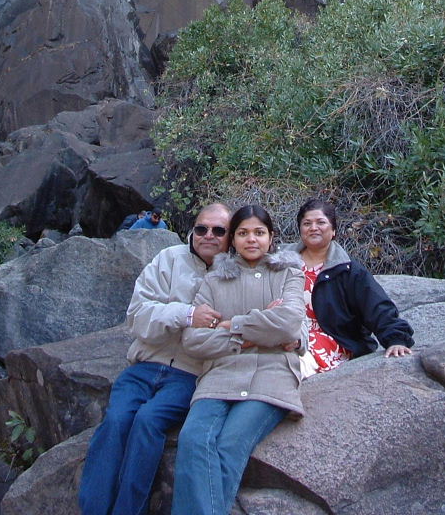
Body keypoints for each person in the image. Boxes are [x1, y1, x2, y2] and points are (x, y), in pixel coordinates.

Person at [78, 203, 232, 515]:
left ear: (230, 237)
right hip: (145, 364)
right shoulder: (169, 259)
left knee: (148, 421)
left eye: (219, 230)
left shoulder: (235, 275)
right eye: (202, 228)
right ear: (192, 230)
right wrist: (187, 315)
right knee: (116, 420)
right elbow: (137, 316)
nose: (209, 235)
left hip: (190, 374)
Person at [170, 204, 305, 515]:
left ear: (271, 237)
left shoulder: (288, 273)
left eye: (259, 232)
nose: (251, 239)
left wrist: (232, 324)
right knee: (193, 439)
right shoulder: (214, 280)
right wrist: (253, 333)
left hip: (272, 376)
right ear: (232, 240)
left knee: (230, 444)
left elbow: (289, 324)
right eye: (243, 233)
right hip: (220, 375)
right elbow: (193, 340)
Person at [294, 197, 413, 374]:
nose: (313, 228)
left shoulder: (348, 270)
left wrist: (396, 339)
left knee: (292, 364)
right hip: (286, 333)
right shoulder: (282, 262)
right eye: (307, 223)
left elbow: (376, 305)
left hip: (330, 339)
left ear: (333, 230)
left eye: (321, 222)